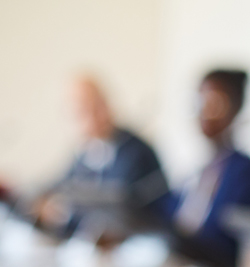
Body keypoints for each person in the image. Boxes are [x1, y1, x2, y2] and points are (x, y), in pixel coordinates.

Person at [165, 69, 250, 267]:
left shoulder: (246, 174)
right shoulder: (198, 171)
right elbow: (170, 220)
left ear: (235, 110)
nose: (203, 111)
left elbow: (232, 249)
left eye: (214, 103)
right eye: (200, 102)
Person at [36, 75, 169, 239]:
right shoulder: (87, 151)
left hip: (140, 242)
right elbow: (61, 185)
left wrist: (66, 209)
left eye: (92, 106)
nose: (88, 116)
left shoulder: (136, 152)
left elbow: (121, 202)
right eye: (78, 111)